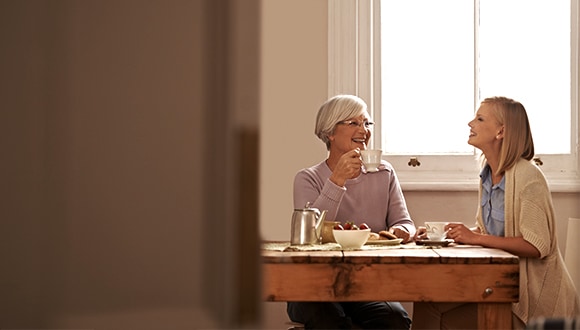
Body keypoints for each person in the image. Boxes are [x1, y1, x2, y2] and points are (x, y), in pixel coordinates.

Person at [413, 96, 580, 329]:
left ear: (501, 132)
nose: (470, 123)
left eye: (480, 119)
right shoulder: (488, 175)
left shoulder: (529, 178)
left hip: (530, 304)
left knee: (435, 312)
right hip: (500, 284)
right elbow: (488, 231)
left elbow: (537, 245)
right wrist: (449, 235)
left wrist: (476, 237)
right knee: (426, 303)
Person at [287, 94, 415, 329]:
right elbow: (311, 235)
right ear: (330, 133)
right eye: (353, 123)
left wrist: (400, 231)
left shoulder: (384, 173)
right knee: (330, 321)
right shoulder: (307, 178)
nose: (364, 130)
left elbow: (405, 222)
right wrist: (337, 180)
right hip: (311, 283)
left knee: (395, 320)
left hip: (365, 284)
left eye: (366, 123)